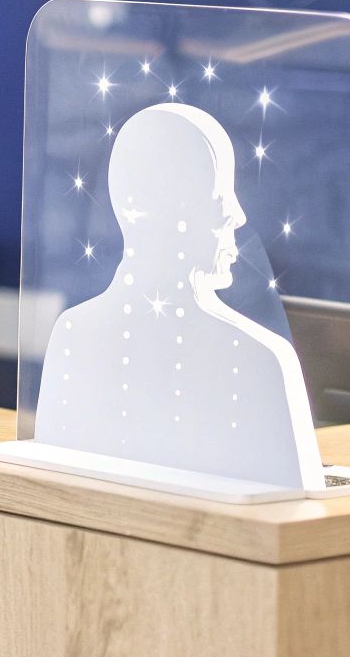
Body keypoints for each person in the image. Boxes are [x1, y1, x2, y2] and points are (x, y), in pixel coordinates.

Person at [33, 103, 321, 490]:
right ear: (161, 208)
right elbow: (303, 511)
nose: (238, 215)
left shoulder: (72, 334)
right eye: (220, 194)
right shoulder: (258, 358)